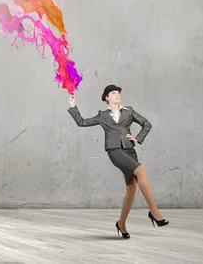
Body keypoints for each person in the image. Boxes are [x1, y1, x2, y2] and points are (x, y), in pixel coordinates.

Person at [67, 84, 169, 238]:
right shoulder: (102, 115)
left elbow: (147, 124)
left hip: (130, 150)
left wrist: (137, 138)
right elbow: (82, 122)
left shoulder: (129, 111)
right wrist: (73, 106)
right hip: (114, 150)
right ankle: (154, 212)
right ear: (107, 98)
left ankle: (121, 223)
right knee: (141, 170)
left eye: (118, 93)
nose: (117, 95)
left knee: (131, 188)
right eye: (113, 93)